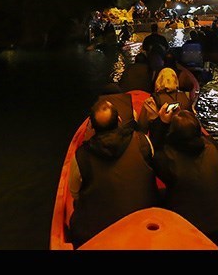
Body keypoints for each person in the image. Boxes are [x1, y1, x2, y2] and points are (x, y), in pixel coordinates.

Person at [67, 101, 159, 248]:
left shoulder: (81, 157)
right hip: (145, 220)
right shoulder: (143, 141)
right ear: (119, 121)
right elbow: (153, 170)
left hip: (98, 230)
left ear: (91, 127)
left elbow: (75, 193)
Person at [149, 108, 218, 248]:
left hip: (192, 235)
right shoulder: (212, 146)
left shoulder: (169, 160)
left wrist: (161, 123)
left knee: (153, 196)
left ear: (173, 135)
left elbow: (153, 153)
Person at [137, 67, 194, 133]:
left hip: (161, 135)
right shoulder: (184, 96)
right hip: (183, 134)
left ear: (159, 80)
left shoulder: (154, 99)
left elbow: (142, 126)